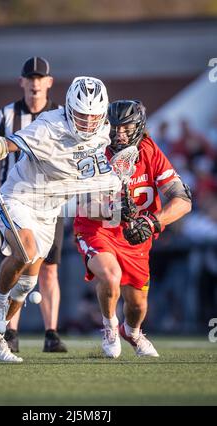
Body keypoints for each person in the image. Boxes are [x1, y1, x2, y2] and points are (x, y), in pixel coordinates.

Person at [0, 76, 122, 363]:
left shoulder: (105, 131)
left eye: (93, 117)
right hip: (18, 197)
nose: (87, 123)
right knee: (25, 249)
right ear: (69, 109)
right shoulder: (50, 124)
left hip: (50, 211)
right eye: (81, 116)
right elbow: (8, 144)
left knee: (26, 285)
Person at [74, 100, 192, 358]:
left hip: (135, 235)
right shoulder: (95, 152)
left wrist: (152, 222)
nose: (119, 134)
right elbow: (82, 203)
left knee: (137, 306)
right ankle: (109, 327)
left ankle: (133, 332)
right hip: (98, 229)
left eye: (126, 127)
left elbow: (182, 201)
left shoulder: (149, 151)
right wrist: (114, 210)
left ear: (138, 127)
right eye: (115, 127)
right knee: (110, 275)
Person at [0, 56, 66, 353]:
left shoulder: (61, 114)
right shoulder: (7, 115)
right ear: (22, 81)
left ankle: (51, 332)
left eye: (40, 77)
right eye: (30, 77)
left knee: (49, 268)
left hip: (50, 204)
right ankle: (10, 331)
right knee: (20, 260)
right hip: (15, 201)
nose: (35, 83)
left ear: (49, 82)